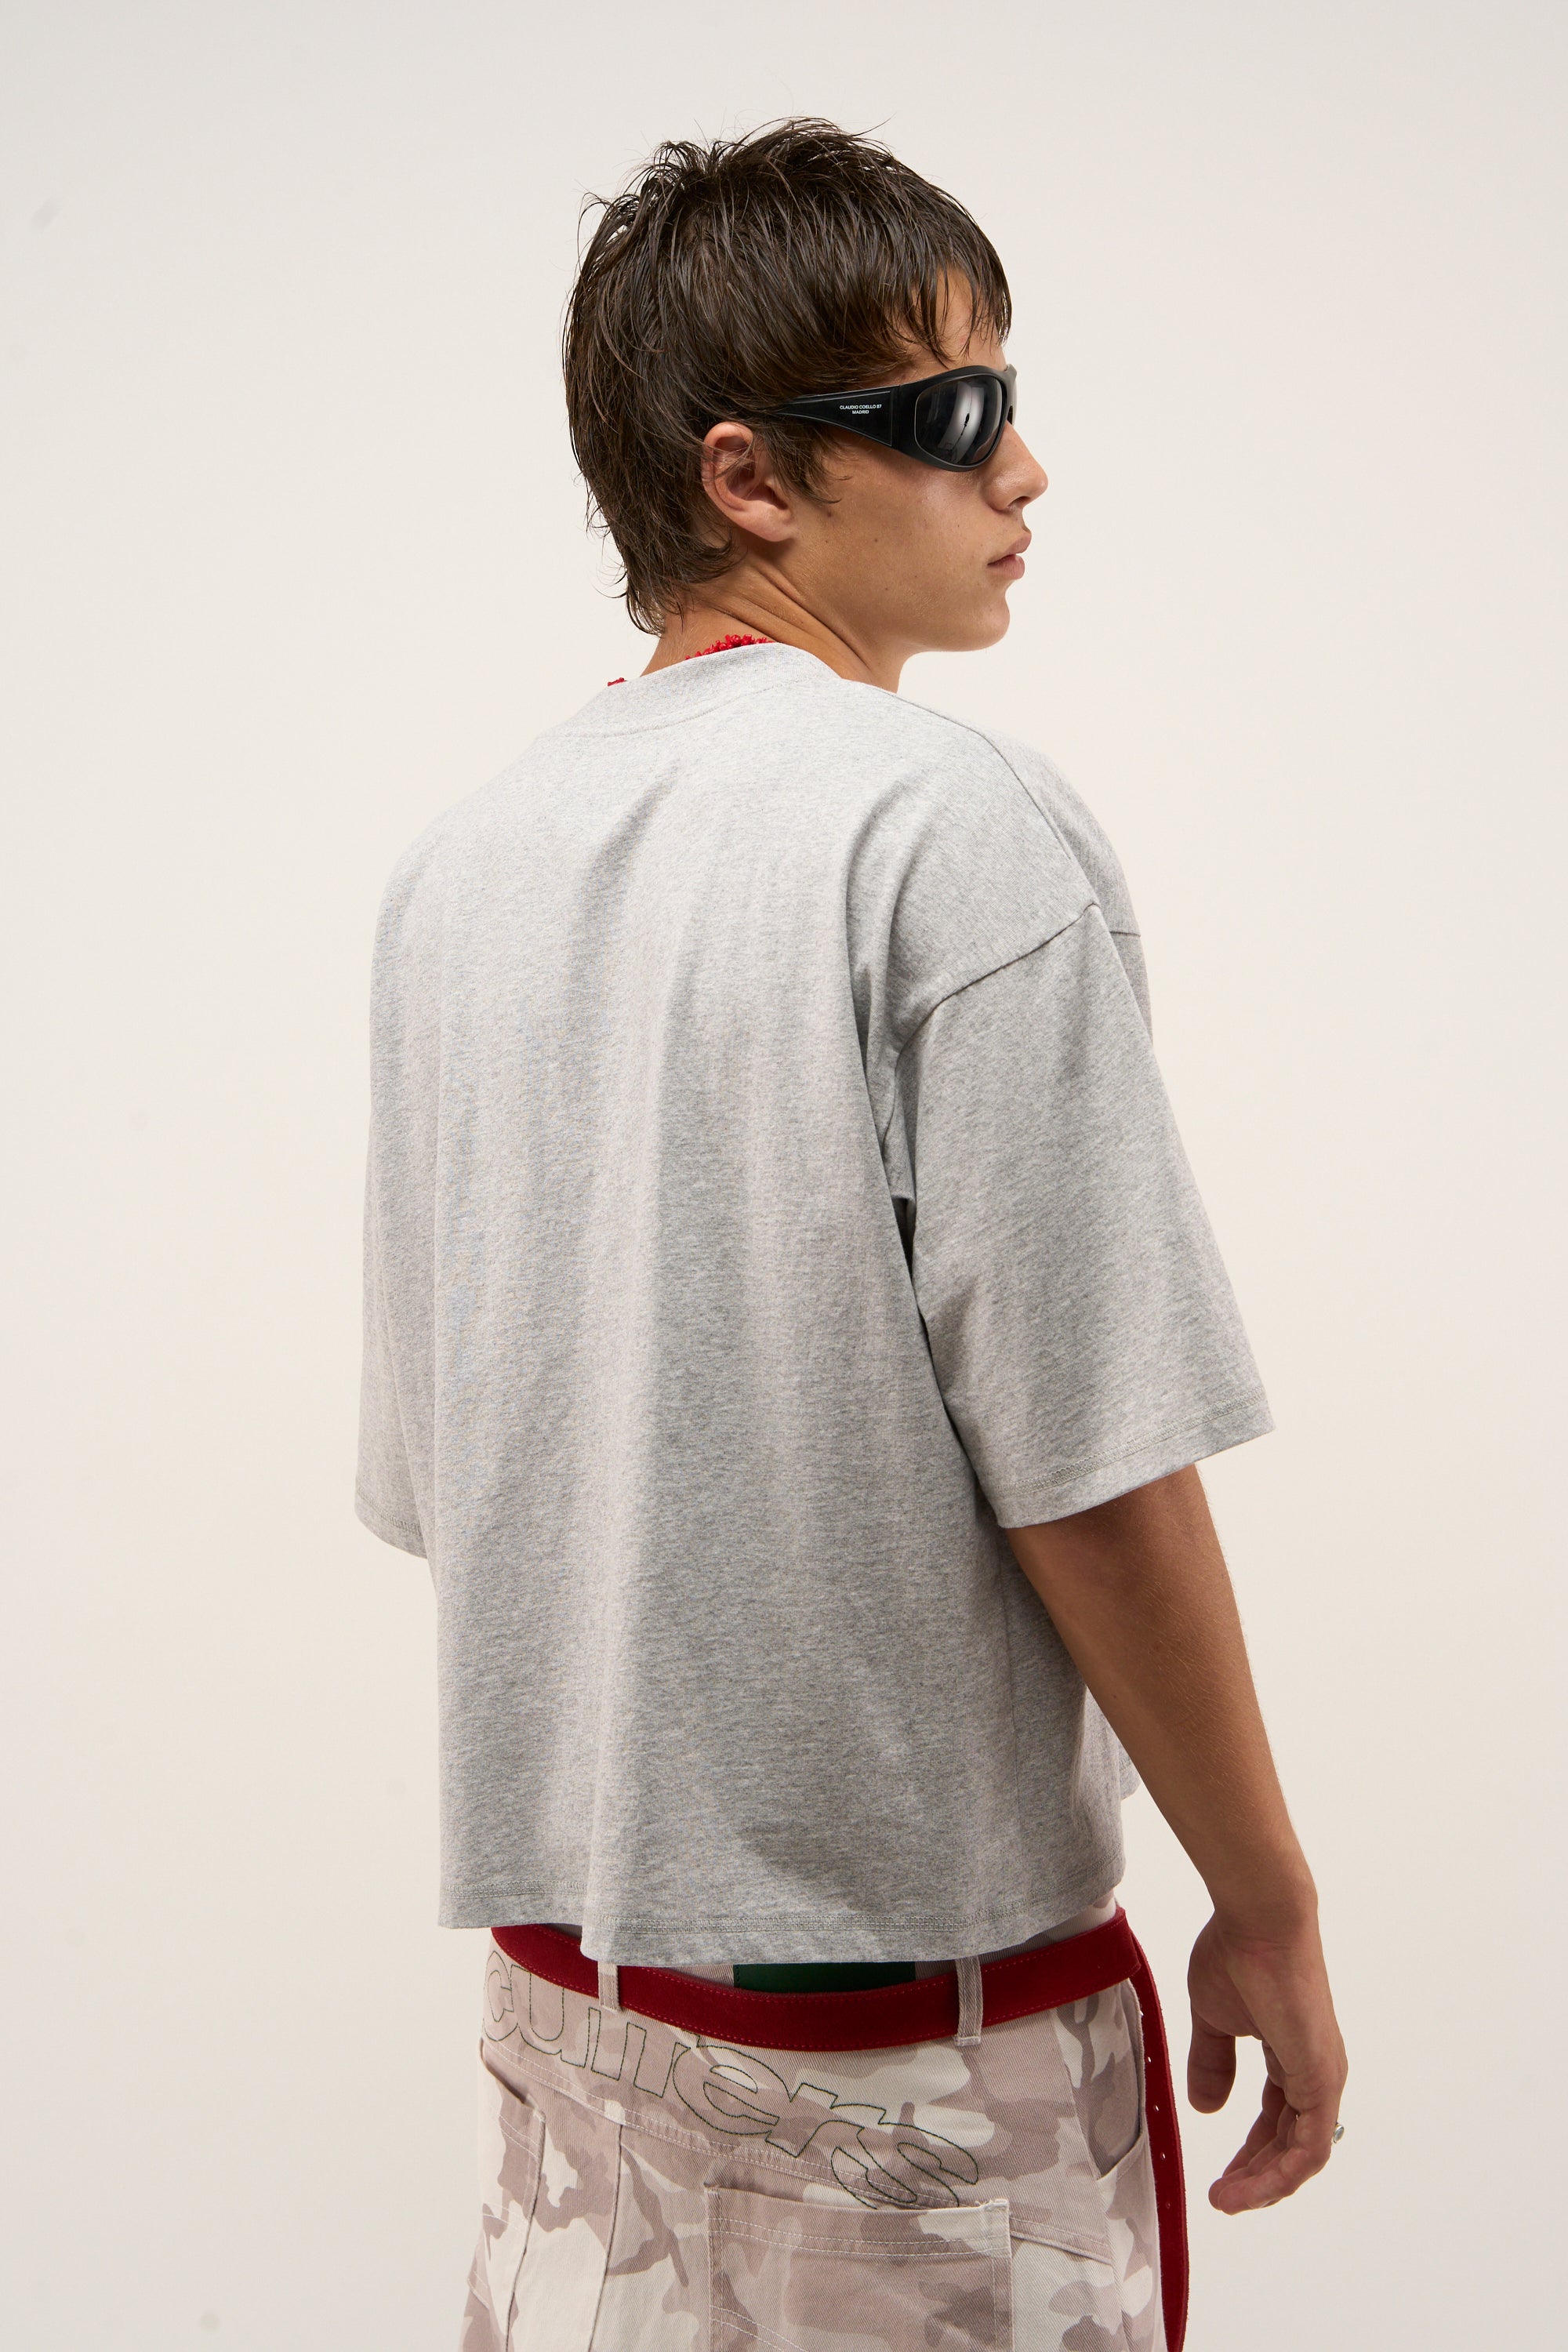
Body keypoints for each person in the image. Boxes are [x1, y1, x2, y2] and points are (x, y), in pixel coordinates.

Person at [355, 118, 1346, 2352]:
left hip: (572, 2035)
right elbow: (1091, 1461)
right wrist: (1266, 1894)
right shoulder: (946, 830)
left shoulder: (459, 874)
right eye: (955, 411)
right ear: (749, 480)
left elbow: (456, 1486)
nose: (1025, 470)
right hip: (909, 2045)